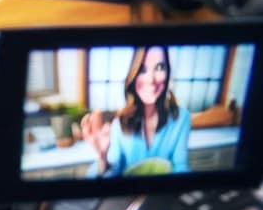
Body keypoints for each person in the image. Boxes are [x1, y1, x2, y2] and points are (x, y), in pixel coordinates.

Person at [80, 45, 191, 176]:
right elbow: (113, 171)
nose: (150, 80)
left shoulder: (181, 118)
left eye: (160, 67)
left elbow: (181, 166)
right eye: (142, 69)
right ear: (133, 74)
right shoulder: (119, 123)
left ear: (168, 73)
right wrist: (103, 157)